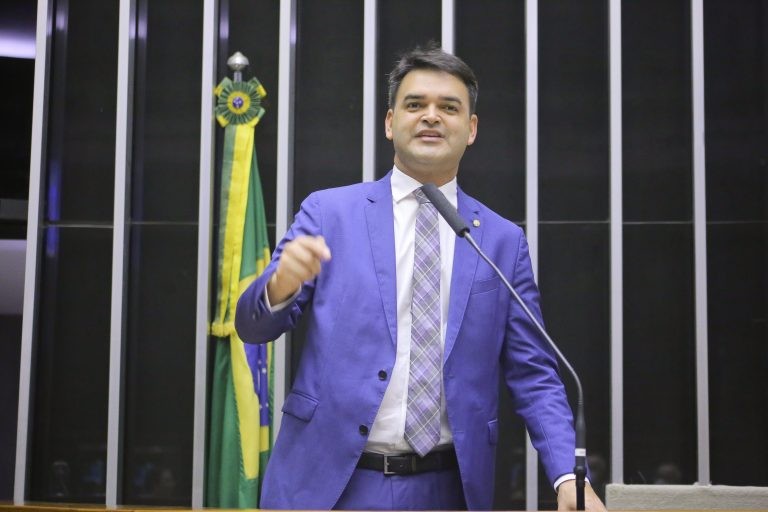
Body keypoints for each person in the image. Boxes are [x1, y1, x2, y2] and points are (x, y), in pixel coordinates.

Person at [235, 43, 606, 511]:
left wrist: (568, 477)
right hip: (328, 484)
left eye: (448, 107)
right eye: (415, 105)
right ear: (391, 123)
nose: (431, 116)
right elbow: (252, 328)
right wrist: (280, 285)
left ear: (471, 129)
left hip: (447, 489)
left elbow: (535, 375)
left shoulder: (501, 242)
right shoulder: (329, 213)